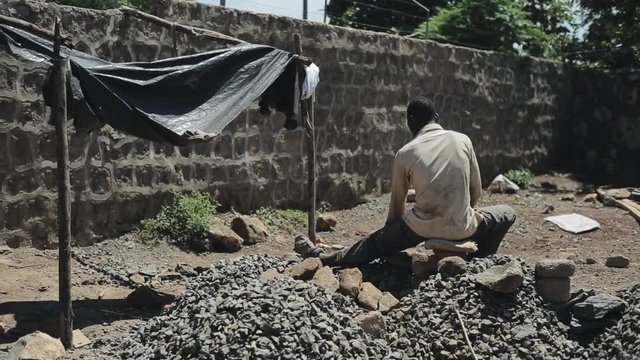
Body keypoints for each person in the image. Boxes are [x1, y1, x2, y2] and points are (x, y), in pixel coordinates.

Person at [295, 96, 516, 266]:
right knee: (507, 212)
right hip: (464, 227)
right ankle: (480, 261)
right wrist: (459, 217)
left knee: (371, 244)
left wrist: (388, 240)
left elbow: (397, 207)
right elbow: (475, 191)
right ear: (436, 119)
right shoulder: (463, 140)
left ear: (409, 122)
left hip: (419, 228)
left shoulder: (405, 153)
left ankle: (328, 258)